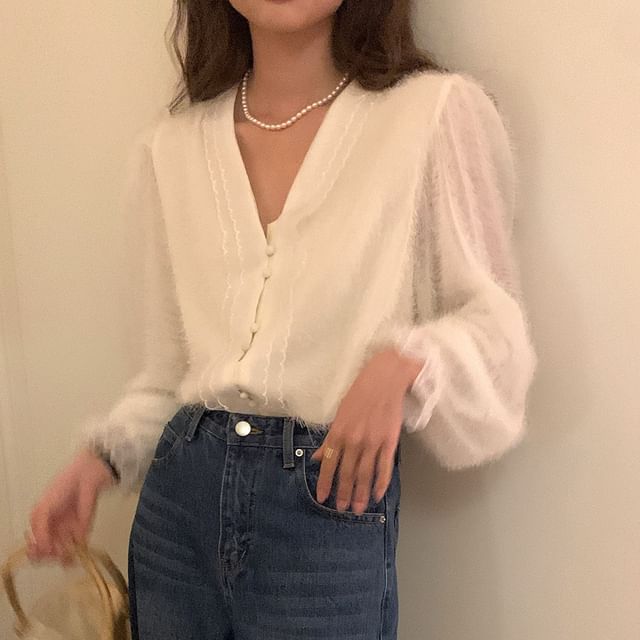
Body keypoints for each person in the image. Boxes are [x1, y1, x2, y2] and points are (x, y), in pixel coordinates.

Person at [26, 1, 538, 638]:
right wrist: (101, 458)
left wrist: (407, 362)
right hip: (177, 516)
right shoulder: (172, 148)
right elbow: (167, 378)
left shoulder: (432, 115)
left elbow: (497, 332)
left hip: (325, 508)